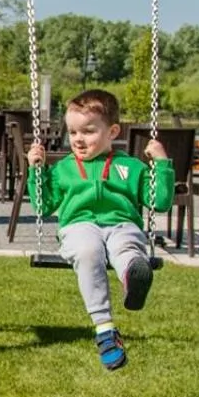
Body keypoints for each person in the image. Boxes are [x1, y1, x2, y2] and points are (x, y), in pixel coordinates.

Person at [26, 89, 175, 371]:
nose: (79, 139)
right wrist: (37, 171)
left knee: (126, 246)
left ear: (112, 131)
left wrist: (162, 163)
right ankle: (105, 330)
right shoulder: (63, 169)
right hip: (78, 226)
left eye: (89, 131)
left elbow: (160, 202)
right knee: (88, 249)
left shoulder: (131, 167)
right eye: (73, 132)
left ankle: (134, 276)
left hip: (121, 224)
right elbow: (43, 206)